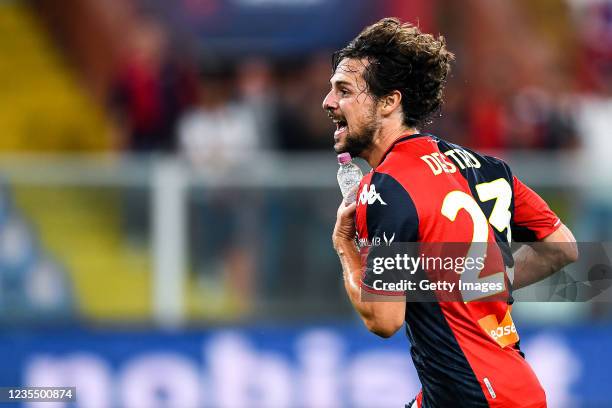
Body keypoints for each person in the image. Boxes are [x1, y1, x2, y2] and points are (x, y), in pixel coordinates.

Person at [323, 18, 578, 408]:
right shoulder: (487, 166)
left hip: (473, 395)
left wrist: (344, 247)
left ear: (389, 102)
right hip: (517, 388)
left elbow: (383, 319)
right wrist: (477, 281)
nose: (329, 102)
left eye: (343, 90)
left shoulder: (386, 186)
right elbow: (562, 248)